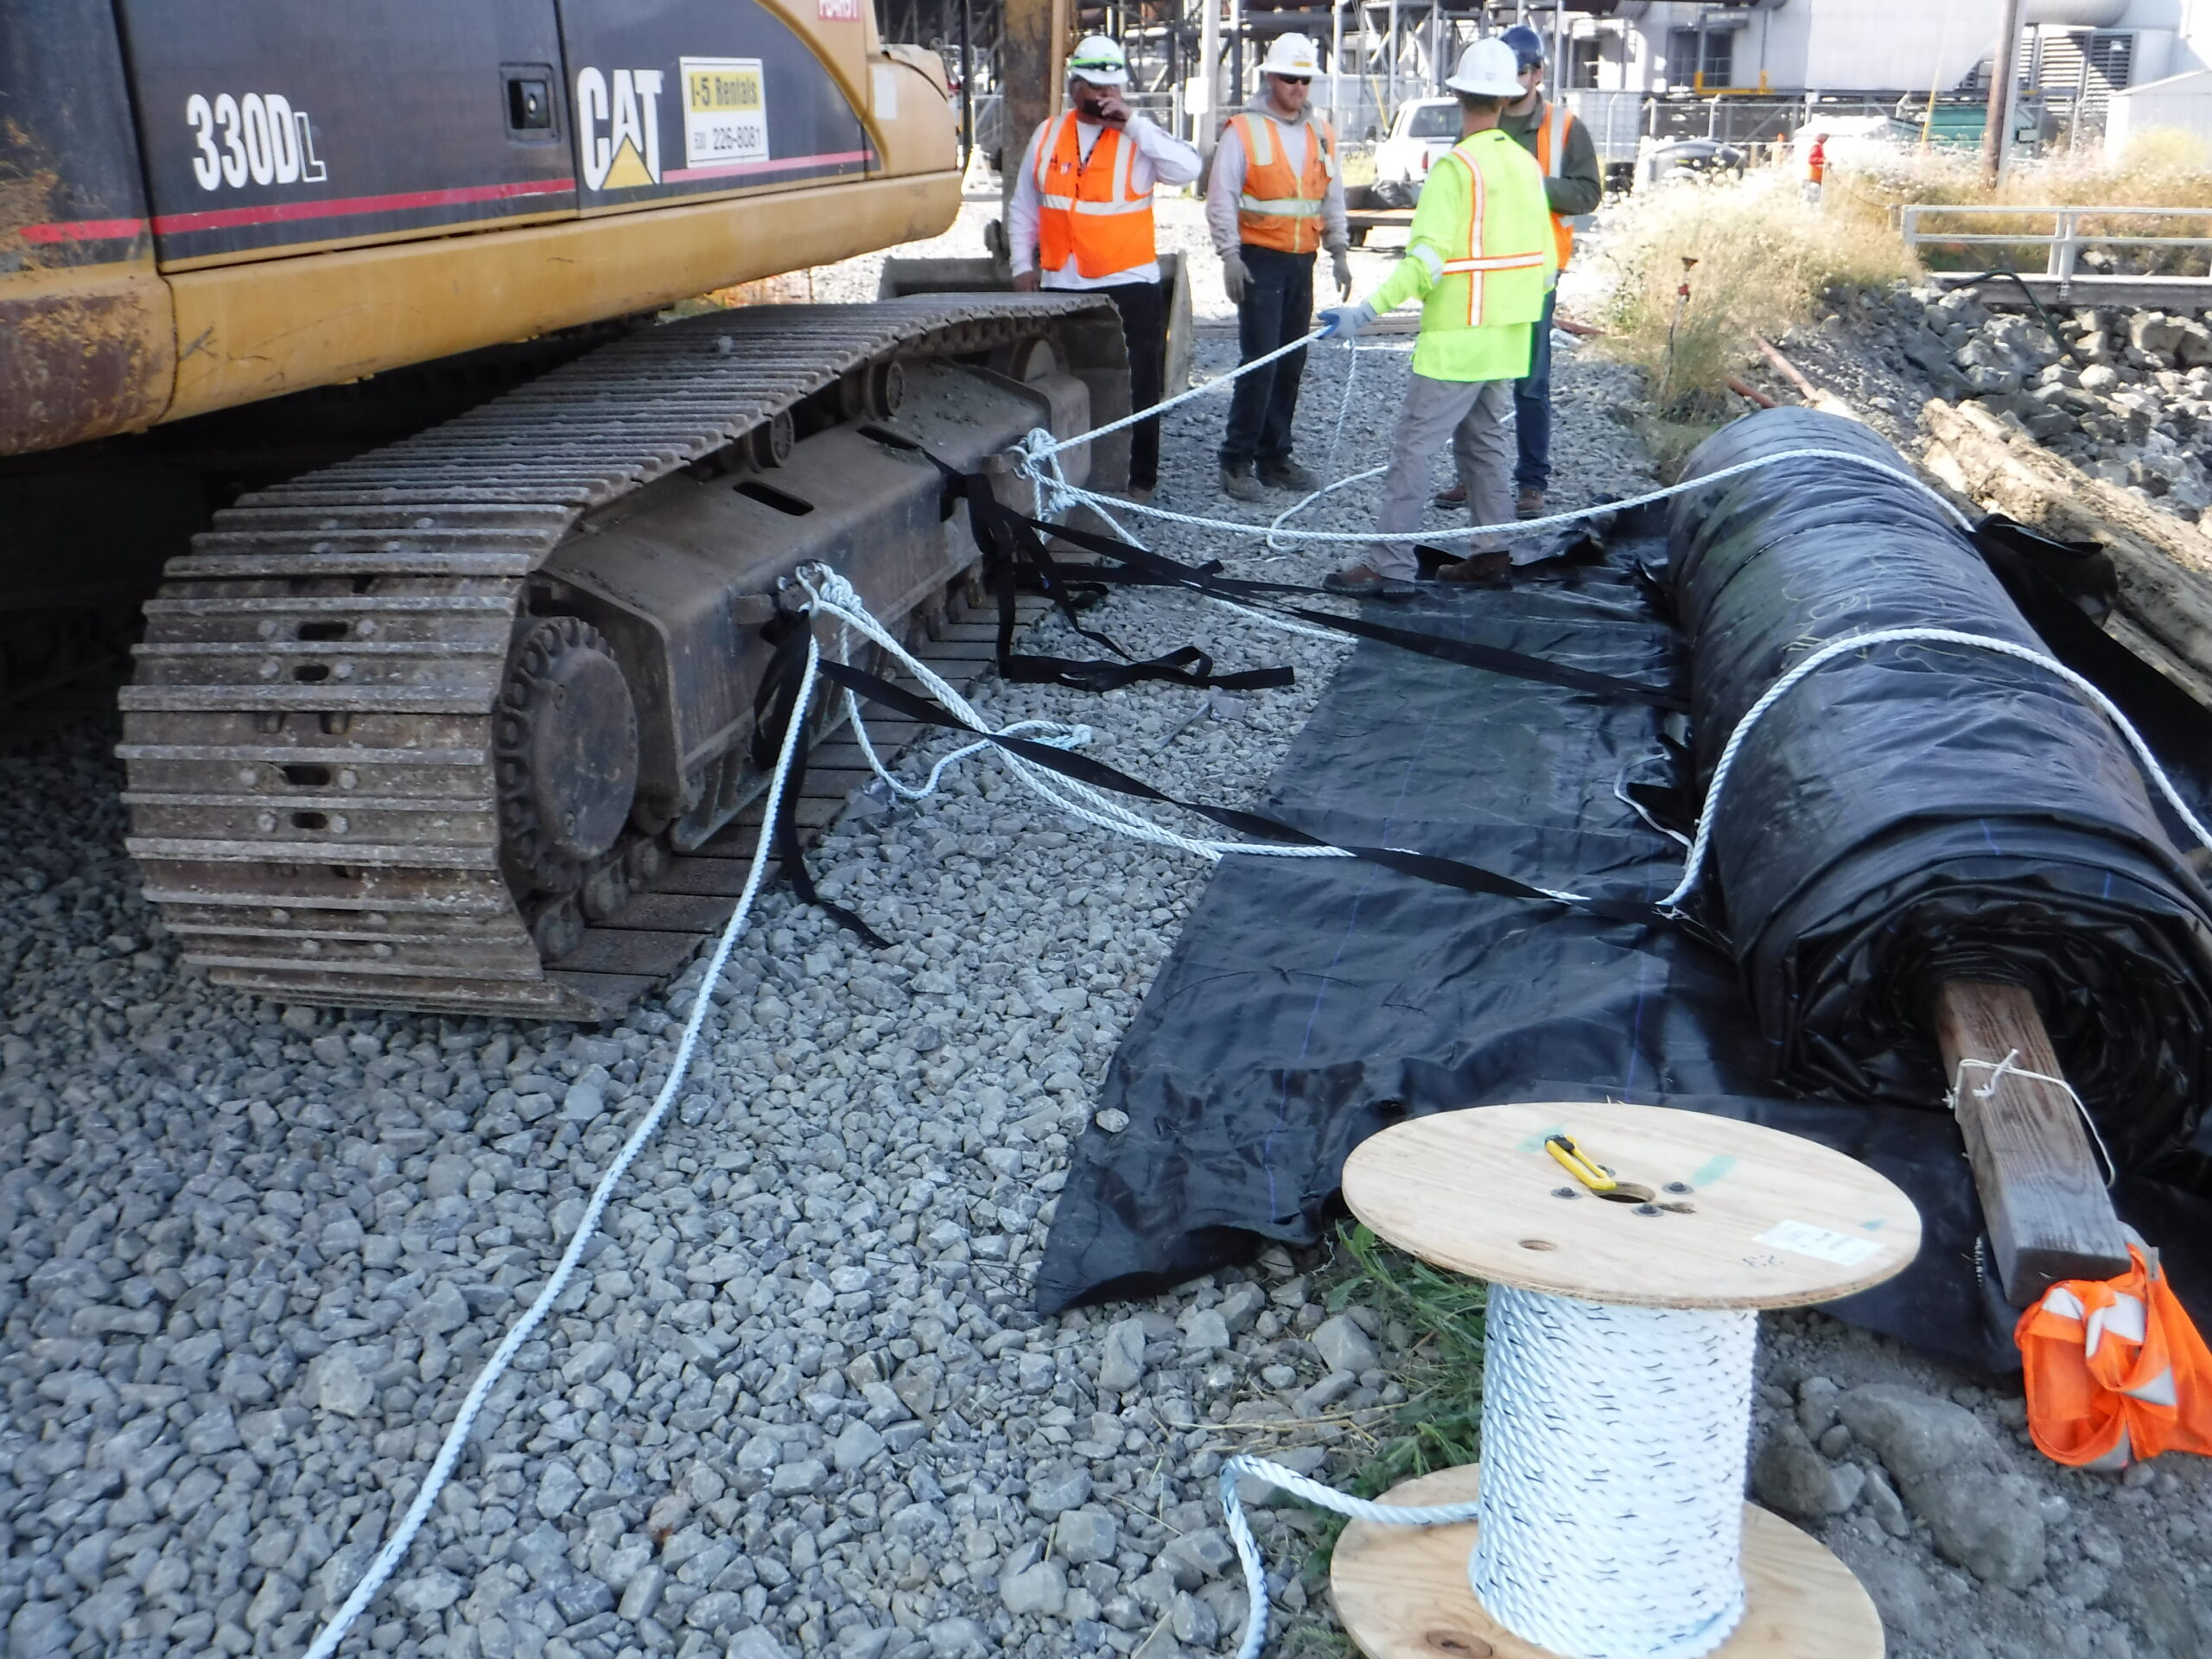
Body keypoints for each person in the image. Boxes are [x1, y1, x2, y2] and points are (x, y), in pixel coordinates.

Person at [1312, 38, 1556, 598]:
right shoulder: (1524, 165)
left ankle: (1389, 564)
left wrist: (1365, 312)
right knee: (1485, 444)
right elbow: (1546, 267)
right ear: (1503, 97)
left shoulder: (1456, 168)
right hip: (1506, 340)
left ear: (1457, 96)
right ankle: (1492, 554)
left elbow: (1423, 265)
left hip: (1456, 341)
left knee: (1414, 450)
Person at [1007, 35, 1202, 503]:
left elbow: (1188, 168)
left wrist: (1134, 123)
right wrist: (1020, 264)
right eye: (1093, 89)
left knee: (1140, 385)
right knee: (1067, 380)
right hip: (1061, 284)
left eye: (1109, 90)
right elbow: (1025, 205)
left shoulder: (1138, 135)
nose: (1102, 99)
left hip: (1128, 283)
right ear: (1074, 86)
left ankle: (1140, 480)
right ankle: (1073, 476)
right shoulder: (1049, 134)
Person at [1433, 22, 1599, 522]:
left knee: (1530, 379)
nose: (1516, 80)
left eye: (1523, 71)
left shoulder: (1566, 127)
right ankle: (1473, 475)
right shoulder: (1484, 117)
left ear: (1539, 73)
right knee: (1475, 375)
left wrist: (1529, 183)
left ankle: (1531, 482)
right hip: (1483, 269)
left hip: (1536, 272)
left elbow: (1587, 193)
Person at [1205, 32, 1352, 503]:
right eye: (1291, 78)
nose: (1299, 87)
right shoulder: (1243, 130)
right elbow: (1221, 197)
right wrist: (1229, 255)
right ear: (1270, 77)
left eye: (1305, 79)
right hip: (1260, 261)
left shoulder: (1321, 133)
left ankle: (1274, 457)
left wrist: (1341, 251)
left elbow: (1332, 197)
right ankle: (1236, 459)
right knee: (1260, 363)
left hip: (1299, 261)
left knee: (1290, 363)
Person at [1803, 130, 1828, 204]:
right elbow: (1811, 159)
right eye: (1826, 136)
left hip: (1815, 178)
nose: (1827, 138)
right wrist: (1824, 161)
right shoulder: (1816, 146)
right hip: (1813, 178)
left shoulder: (1818, 145)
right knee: (1811, 200)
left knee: (1812, 200)